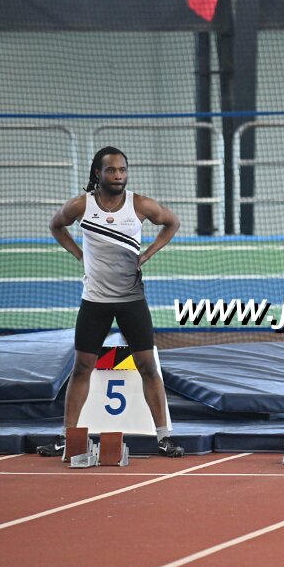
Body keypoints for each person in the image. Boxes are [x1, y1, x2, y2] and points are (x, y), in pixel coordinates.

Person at [38, 147, 184, 457]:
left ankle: (164, 437)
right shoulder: (82, 205)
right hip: (95, 300)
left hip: (132, 300)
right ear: (98, 173)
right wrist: (79, 254)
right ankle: (66, 437)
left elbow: (172, 222)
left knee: (148, 366)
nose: (118, 175)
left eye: (122, 170)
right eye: (111, 170)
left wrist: (146, 255)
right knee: (81, 367)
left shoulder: (139, 204)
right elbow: (56, 226)